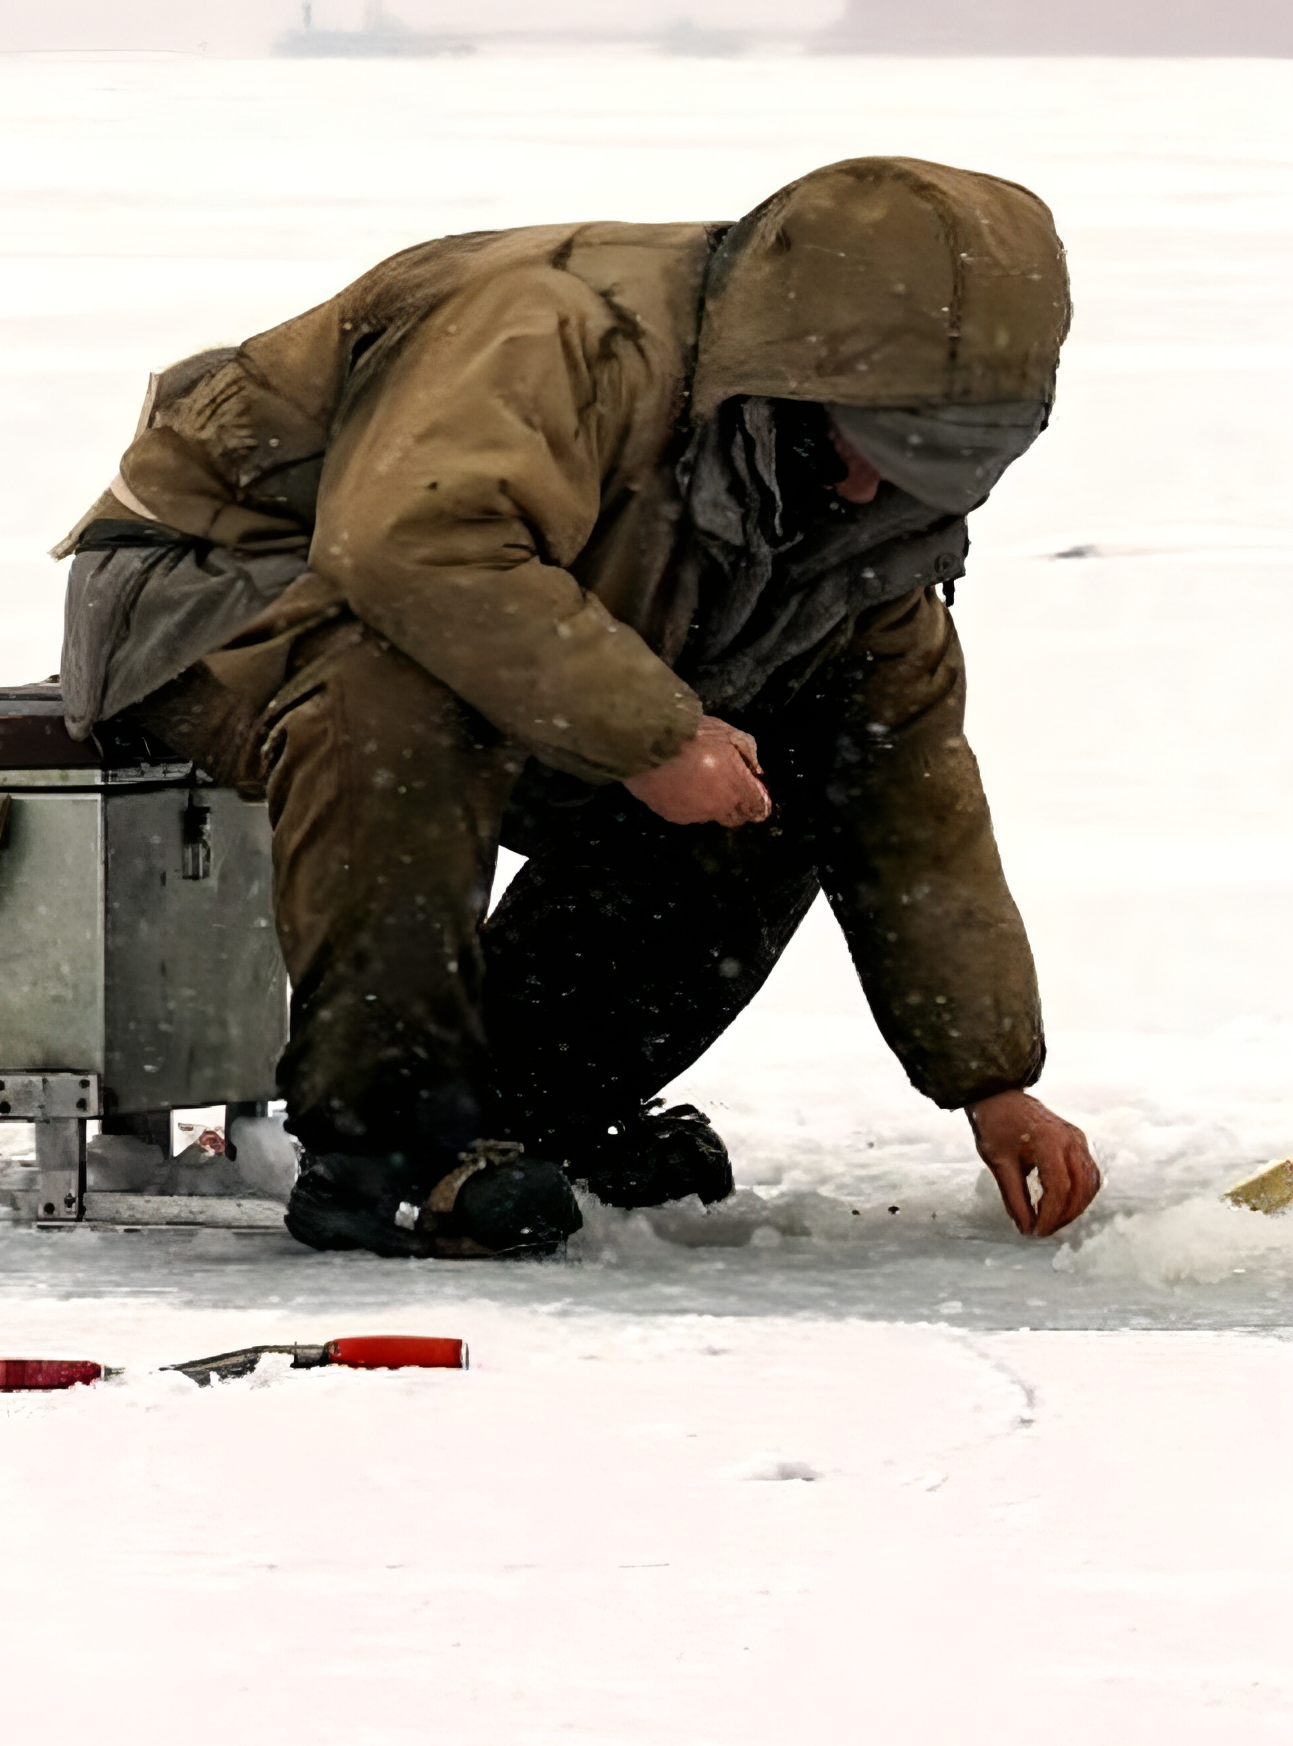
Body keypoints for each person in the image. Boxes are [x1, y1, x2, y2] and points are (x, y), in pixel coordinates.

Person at [58, 154, 1102, 1258]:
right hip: (220, 594)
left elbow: (906, 784)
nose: (868, 490)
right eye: (872, 445)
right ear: (795, 376)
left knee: (779, 778)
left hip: (555, 612)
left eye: (936, 462)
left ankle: (521, 1111)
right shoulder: (560, 329)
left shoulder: (864, 515)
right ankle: (391, 1151)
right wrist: (651, 734)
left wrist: (990, 1080)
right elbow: (411, 547)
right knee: (401, 696)